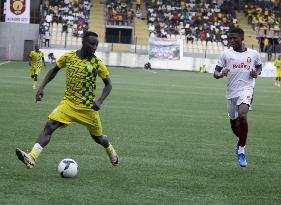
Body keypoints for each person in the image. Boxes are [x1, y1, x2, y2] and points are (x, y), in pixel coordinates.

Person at [16, 31, 118, 169]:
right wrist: (42, 87)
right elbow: (54, 69)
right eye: (92, 44)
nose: (94, 47)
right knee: (50, 125)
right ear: (83, 42)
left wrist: (99, 101)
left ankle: (110, 149)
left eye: (96, 45)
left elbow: (109, 84)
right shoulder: (68, 57)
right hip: (68, 104)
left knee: (98, 138)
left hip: (88, 108)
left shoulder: (97, 63)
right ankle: (32, 157)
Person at [213, 27, 262, 167]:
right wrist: (222, 73)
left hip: (246, 89)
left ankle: (241, 150)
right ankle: (240, 141)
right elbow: (215, 74)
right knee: (234, 124)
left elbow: (259, 67)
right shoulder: (225, 54)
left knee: (242, 115)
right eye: (230, 38)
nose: (232, 40)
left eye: (234, 38)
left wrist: (256, 74)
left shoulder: (253, 54)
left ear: (242, 38)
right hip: (231, 93)